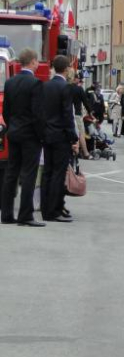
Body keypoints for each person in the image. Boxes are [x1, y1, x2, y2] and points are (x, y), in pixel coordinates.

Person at [1, 49, 45, 226]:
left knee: (11, 173)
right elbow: (38, 115)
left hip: (14, 133)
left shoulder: (10, 83)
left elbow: (6, 111)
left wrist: (12, 128)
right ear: (33, 62)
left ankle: (6, 215)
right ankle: (25, 216)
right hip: (30, 136)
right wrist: (41, 135)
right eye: (37, 62)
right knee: (28, 174)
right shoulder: (35, 83)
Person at [39, 55, 79, 223]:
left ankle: (45, 209)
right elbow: (67, 116)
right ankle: (54, 210)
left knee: (47, 172)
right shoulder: (66, 88)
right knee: (58, 173)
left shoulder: (45, 86)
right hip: (61, 136)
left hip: (46, 134)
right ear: (67, 69)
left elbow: (40, 112)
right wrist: (74, 138)